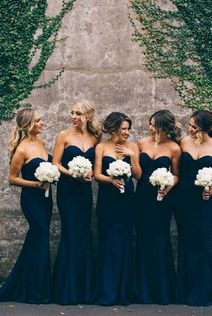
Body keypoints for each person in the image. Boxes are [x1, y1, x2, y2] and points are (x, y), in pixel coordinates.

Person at [175, 109, 212, 306]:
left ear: (206, 127)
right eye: (189, 126)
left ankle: (204, 290)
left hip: (206, 200)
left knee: (202, 241)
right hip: (183, 199)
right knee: (186, 241)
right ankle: (185, 290)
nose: (190, 129)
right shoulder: (184, 142)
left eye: (194, 126)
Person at [0, 108, 52, 303]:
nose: (41, 123)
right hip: (31, 200)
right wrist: (37, 184)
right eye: (38, 120)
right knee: (39, 238)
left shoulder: (40, 143)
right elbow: (12, 179)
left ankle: (31, 286)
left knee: (37, 240)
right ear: (29, 124)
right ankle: (35, 292)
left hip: (46, 199)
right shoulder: (21, 149)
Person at [52, 100, 101, 305]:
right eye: (72, 112)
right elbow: (55, 163)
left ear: (87, 116)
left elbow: (95, 164)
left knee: (83, 232)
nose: (73, 116)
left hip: (84, 191)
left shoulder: (95, 138)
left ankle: (84, 288)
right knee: (70, 233)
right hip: (67, 191)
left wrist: (88, 173)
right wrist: (71, 173)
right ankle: (67, 288)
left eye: (78, 113)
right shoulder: (63, 135)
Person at [93, 112, 142, 305]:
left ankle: (124, 291)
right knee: (108, 241)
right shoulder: (102, 147)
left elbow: (138, 175)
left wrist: (133, 157)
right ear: (113, 129)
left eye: (128, 129)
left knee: (124, 241)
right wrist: (111, 179)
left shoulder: (133, 147)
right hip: (107, 199)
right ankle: (107, 290)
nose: (127, 132)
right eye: (124, 129)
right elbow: (97, 174)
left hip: (127, 199)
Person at [135, 109, 181, 304]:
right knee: (143, 237)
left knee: (160, 237)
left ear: (163, 127)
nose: (150, 128)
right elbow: (136, 171)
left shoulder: (174, 148)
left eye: (154, 124)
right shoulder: (141, 143)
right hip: (142, 197)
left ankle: (162, 289)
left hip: (163, 198)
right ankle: (142, 289)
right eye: (150, 124)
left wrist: (169, 185)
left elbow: (177, 174)